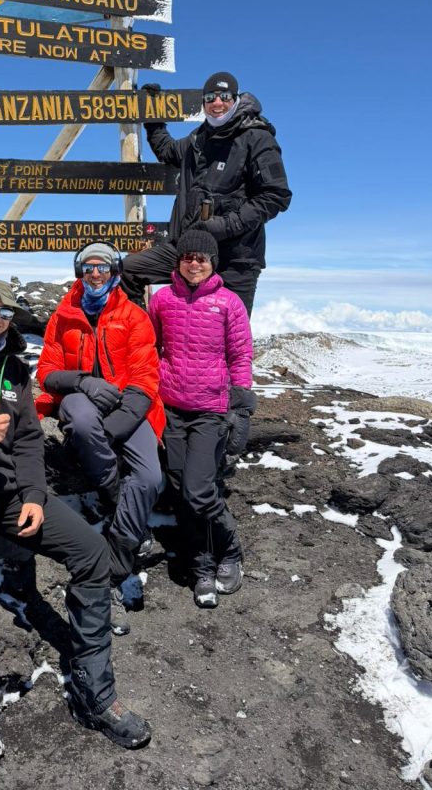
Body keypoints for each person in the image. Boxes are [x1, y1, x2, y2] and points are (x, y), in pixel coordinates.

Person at [0, 278, 151, 762]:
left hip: (10, 494)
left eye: (4, 312)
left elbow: (31, 440)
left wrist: (34, 495)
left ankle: (93, 689)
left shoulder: (15, 368)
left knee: (92, 555)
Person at [35, 243, 164, 637]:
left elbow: (146, 375)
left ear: (114, 272)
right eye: (89, 268)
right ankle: (112, 493)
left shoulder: (134, 315)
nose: (95, 275)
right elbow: (47, 371)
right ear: (79, 272)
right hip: (81, 399)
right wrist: (81, 380)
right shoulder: (63, 315)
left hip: (129, 407)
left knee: (149, 478)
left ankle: (122, 552)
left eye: (103, 268)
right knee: (81, 415)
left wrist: (119, 425)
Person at [122, 71, 292, 315]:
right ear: (204, 103)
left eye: (224, 96)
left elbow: (275, 195)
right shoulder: (199, 138)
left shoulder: (257, 137)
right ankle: (138, 342)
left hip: (235, 258)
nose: (217, 103)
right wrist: (153, 116)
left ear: (235, 99)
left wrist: (222, 226)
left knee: (230, 333)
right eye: (210, 97)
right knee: (130, 269)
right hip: (187, 250)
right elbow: (168, 151)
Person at [148, 229, 255, 610]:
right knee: (180, 489)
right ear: (179, 261)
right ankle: (202, 567)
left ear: (213, 263)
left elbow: (241, 356)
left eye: (202, 258)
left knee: (198, 489)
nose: (194, 263)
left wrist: (241, 408)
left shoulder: (229, 303)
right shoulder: (162, 299)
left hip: (211, 409)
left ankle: (229, 551)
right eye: (188, 256)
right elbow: (152, 347)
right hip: (172, 407)